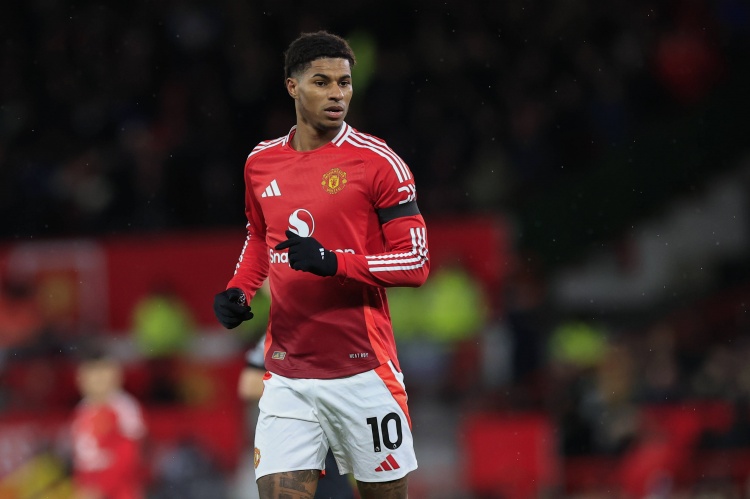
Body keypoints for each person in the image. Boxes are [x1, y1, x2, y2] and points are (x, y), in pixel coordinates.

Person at [213, 30, 430, 499]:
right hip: (287, 374)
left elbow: (415, 262)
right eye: (322, 82)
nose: (337, 94)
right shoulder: (260, 163)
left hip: (363, 371)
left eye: (344, 83)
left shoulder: (378, 162)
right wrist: (240, 289)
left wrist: (334, 262)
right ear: (292, 87)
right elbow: (259, 236)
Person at [238, 334, 356, 499]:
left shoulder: (344, 330)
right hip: (291, 438)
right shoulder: (280, 332)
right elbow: (249, 384)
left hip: (332, 441)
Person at [70, 346, 147, 499]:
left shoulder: (125, 408)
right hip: (90, 488)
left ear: (117, 375)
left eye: (103, 372)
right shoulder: (82, 412)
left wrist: (102, 488)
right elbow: (82, 458)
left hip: (119, 490)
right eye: (92, 373)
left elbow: (129, 455)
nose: (99, 379)